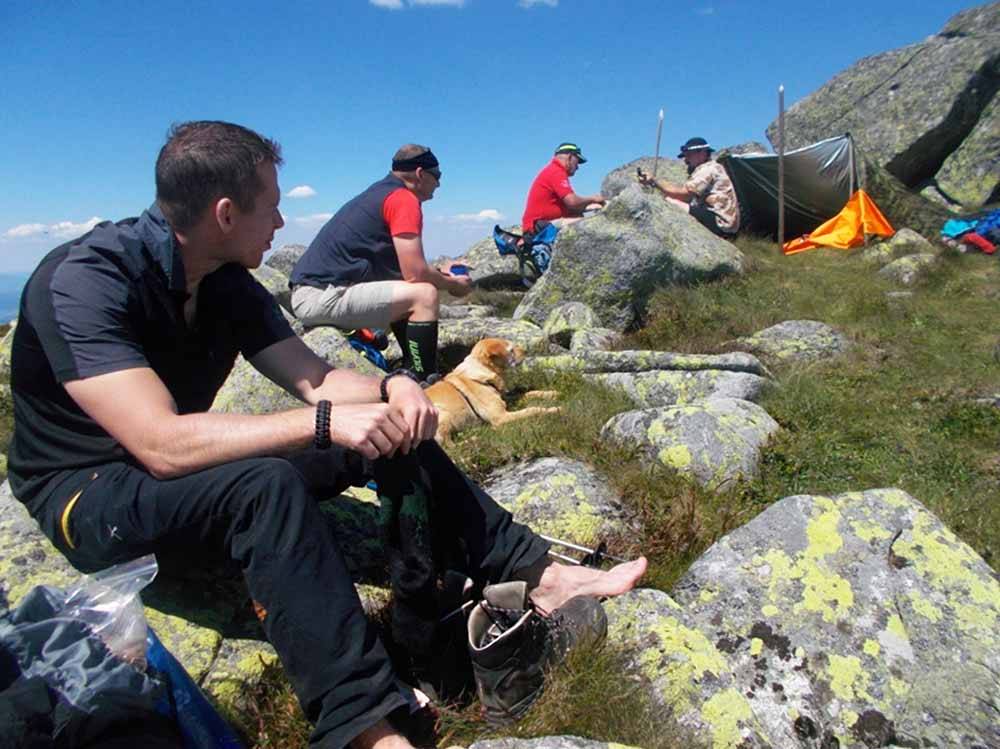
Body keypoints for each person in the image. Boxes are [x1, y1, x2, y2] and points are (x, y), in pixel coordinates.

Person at [7, 121, 647, 749]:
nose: (283, 225)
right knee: (263, 487)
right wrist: (325, 423)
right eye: (273, 209)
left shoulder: (225, 281)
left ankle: (537, 573)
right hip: (86, 492)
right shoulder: (87, 281)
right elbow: (160, 443)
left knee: (391, 422)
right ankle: (362, 723)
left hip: (179, 471)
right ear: (226, 215)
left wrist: (395, 385)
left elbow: (315, 379)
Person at [289, 145, 471, 382]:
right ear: (420, 174)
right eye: (437, 176)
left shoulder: (381, 194)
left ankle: (412, 367)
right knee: (424, 295)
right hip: (319, 296)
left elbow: (405, 270)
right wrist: (452, 284)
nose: (439, 183)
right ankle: (424, 379)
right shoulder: (403, 199)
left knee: (411, 290)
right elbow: (416, 273)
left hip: (314, 291)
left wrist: (440, 272)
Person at [638, 136, 741, 237]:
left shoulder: (708, 169)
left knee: (671, 202)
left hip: (721, 222)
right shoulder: (711, 168)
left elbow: (684, 195)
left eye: (689, 155)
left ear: (702, 153)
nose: (686, 159)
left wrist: (655, 182)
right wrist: (653, 183)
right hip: (723, 222)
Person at [521, 142, 606, 235]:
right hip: (538, 227)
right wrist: (593, 198)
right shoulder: (556, 172)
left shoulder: (553, 170)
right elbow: (572, 202)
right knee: (583, 223)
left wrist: (592, 205)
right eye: (577, 161)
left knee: (579, 215)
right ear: (570, 157)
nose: (577, 167)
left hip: (538, 225)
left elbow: (572, 206)